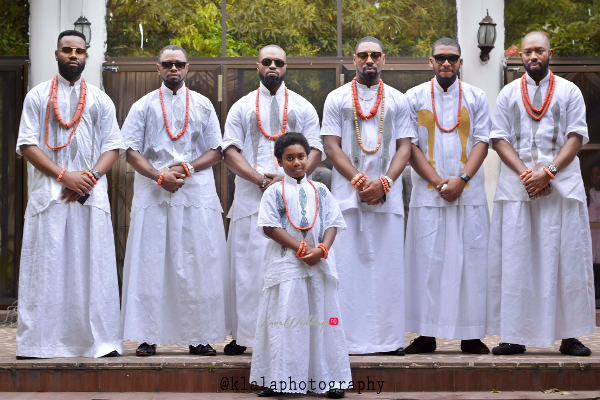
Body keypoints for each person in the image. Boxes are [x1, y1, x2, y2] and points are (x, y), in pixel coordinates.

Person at [16, 30, 124, 358]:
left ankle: (99, 342)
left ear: (87, 55)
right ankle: (38, 343)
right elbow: (26, 144)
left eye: (79, 50)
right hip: (49, 195)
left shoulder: (100, 99)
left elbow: (113, 146)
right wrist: (65, 175)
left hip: (89, 194)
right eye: (67, 50)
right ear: (57, 53)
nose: (73, 55)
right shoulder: (37, 96)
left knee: (93, 265)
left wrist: (87, 178)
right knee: (46, 266)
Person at [486, 32, 595, 356]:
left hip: (561, 188)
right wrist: (526, 175)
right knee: (516, 260)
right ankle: (514, 335)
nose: (534, 56)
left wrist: (547, 173)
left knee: (567, 260)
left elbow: (576, 136)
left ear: (550, 53)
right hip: (518, 189)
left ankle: (570, 335)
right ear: (521, 55)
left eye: (540, 51)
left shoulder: (569, 91)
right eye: (528, 51)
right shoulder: (508, 93)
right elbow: (499, 138)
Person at [120, 45, 226, 356]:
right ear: (158, 68)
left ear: (188, 67)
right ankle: (146, 336)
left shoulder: (204, 104)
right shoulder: (143, 106)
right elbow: (130, 150)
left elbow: (216, 150)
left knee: (197, 263)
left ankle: (199, 337)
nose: (174, 69)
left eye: (179, 64)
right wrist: (158, 176)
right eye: (167, 64)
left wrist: (187, 167)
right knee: (151, 261)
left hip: (196, 191)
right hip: (154, 190)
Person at [222, 45, 323, 355]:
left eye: (279, 62)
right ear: (257, 66)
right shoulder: (241, 107)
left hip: (293, 200)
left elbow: (316, 149)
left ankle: (291, 335)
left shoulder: (303, 107)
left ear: (286, 66)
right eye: (267, 62)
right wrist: (261, 179)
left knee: (291, 267)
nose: (273, 66)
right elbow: (229, 150)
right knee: (249, 268)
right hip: (252, 199)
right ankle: (247, 336)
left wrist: (290, 180)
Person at [321, 36, 414, 355]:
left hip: (387, 198)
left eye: (375, 55)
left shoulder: (399, 100)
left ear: (384, 59)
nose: (369, 60)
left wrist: (385, 182)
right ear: (353, 60)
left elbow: (405, 146)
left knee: (387, 270)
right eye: (363, 55)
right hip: (346, 199)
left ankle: (389, 341)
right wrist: (359, 181)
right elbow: (330, 145)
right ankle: (345, 340)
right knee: (346, 270)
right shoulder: (335, 98)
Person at [403, 37, 491, 354]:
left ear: (460, 62)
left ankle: (471, 335)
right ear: (431, 61)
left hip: (469, 195)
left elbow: (483, 141)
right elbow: (409, 146)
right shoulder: (413, 97)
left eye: (452, 58)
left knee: (471, 263)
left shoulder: (477, 96)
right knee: (427, 263)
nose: (446, 63)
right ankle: (426, 334)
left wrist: (462, 179)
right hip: (429, 195)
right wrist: (440, 182)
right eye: (440, 58)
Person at [250, 133, 350, 399]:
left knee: (322, 321)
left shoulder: (321, 190)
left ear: (309, 158)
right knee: (284, 321)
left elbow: (332, 223)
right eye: (289, 158)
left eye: (301, 157)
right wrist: (301, 248)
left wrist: (322, 250)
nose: (296, 163)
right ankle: (278, 380)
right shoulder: (273, 191)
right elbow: (270, 226)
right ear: (279, 162)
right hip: (286, 265)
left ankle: (328, 381)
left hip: (318, 265)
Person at [587, 166, 600, 264]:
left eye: (598, 174)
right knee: (592, 240)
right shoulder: (588, 191)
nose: (595, 177)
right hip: (592, 218)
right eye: (592, 175)